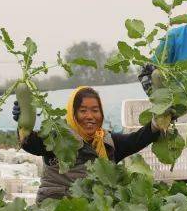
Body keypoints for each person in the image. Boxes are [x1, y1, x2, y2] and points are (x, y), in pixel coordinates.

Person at [13, 86, 163, 203]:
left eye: (95, 110)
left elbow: (137, 139)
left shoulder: (108, 143)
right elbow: (31, 143)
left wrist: (159, 120)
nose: (90, 116)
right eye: (83, 111)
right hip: (56, 209)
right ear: (72, 114)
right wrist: (23, 122)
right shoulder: (58, 137)